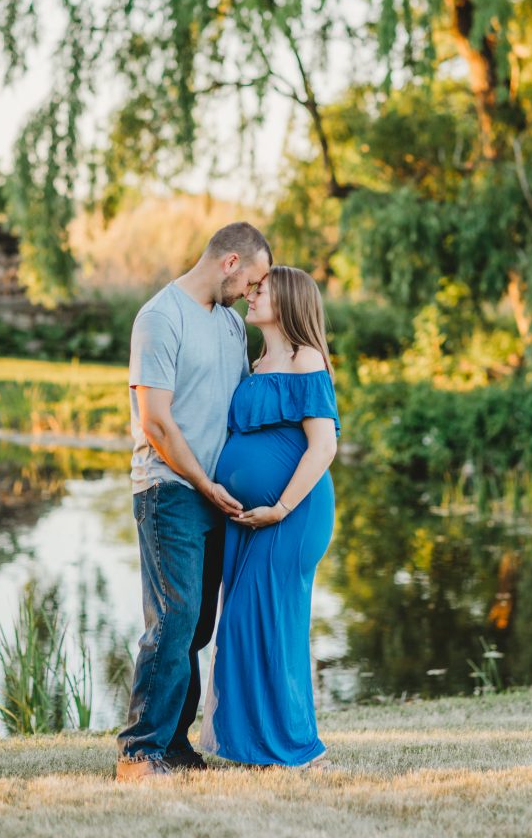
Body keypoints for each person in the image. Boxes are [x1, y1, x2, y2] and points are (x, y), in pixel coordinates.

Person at [115, 222, 272, 782]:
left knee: (199, 626)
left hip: (215, 497)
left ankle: (174, 745)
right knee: (173, 620)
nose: (252, 294)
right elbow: (156, 422)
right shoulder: (160, 317)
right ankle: (138, 752)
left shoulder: (231, 324)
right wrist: (205, 484)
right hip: (170, 489)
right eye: (252, 281)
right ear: (230, 262)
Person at [200, 265, 339, 768]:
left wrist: (279, 508)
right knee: (239, 622)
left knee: (269, 622)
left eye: (262, 290)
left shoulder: (308, 359)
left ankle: (293, 747)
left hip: (292, 515)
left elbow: (323, 447)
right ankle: (250, 745)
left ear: (290, 300)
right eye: (252, 289)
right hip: (249, 518)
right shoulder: (257, 362)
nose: (252, 296)